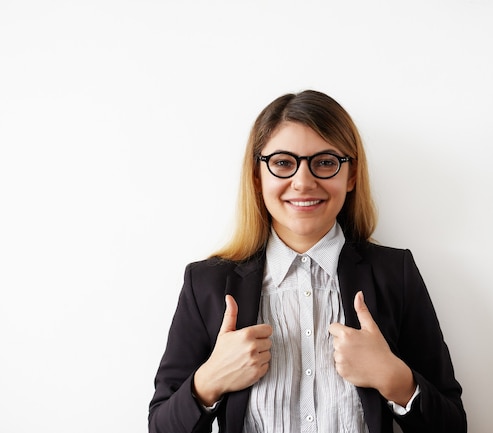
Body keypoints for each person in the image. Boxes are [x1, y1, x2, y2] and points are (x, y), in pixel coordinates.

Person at [148, 90, 466, 433]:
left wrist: (396, 380)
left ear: (351, 175)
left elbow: (452, 425)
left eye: (325, 162)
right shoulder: (207, 284)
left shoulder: (395, 274)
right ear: (257, 176)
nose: (303, 182)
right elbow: (160, 427)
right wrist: (209, 381)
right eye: (283, 163)